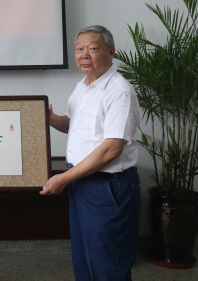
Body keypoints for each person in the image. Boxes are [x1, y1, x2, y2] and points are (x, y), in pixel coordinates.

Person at [41, 25, 141, 281]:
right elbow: (73, 125)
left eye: (93, 48)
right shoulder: (83, 87)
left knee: (108, 265)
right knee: (85, 259)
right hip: (82, 183)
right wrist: (50, 119)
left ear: (111, 52)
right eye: (79, 49)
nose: (84, 54)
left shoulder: (119, 91)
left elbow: (111, 149)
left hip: (107, 187)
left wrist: (64, 178)